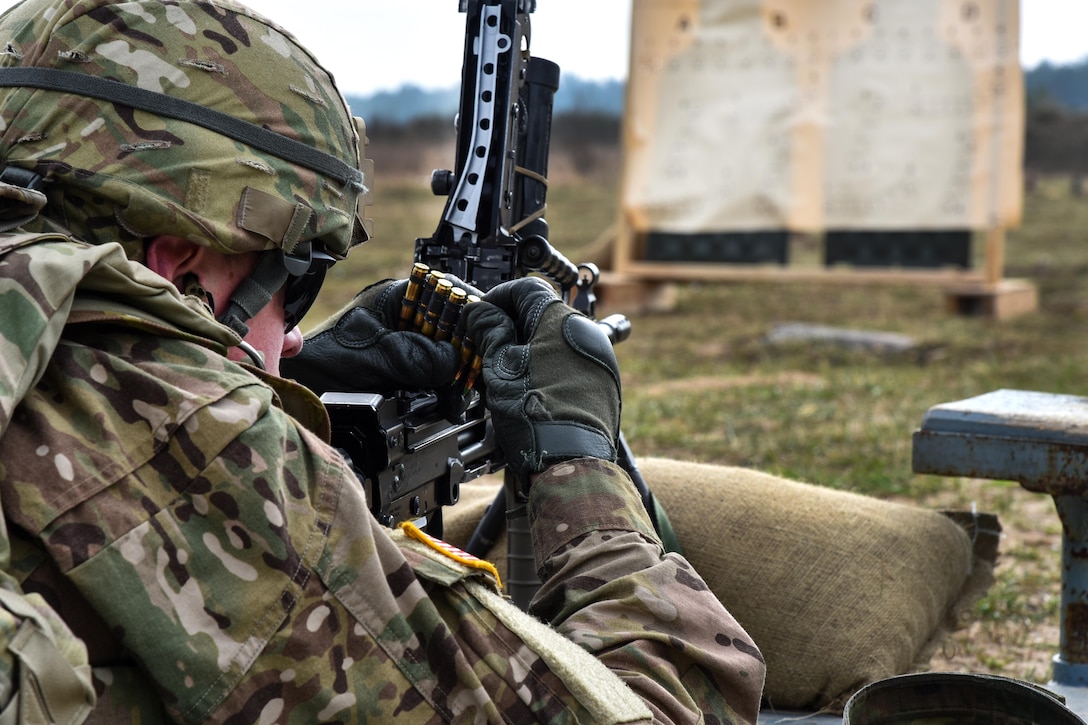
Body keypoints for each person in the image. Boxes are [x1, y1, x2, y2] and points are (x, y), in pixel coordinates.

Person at [0, 0, 765, 722]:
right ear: (181, 267)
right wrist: (581, 465)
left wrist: (280, 386)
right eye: (296, 284)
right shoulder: (166, 424)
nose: (295, 336)